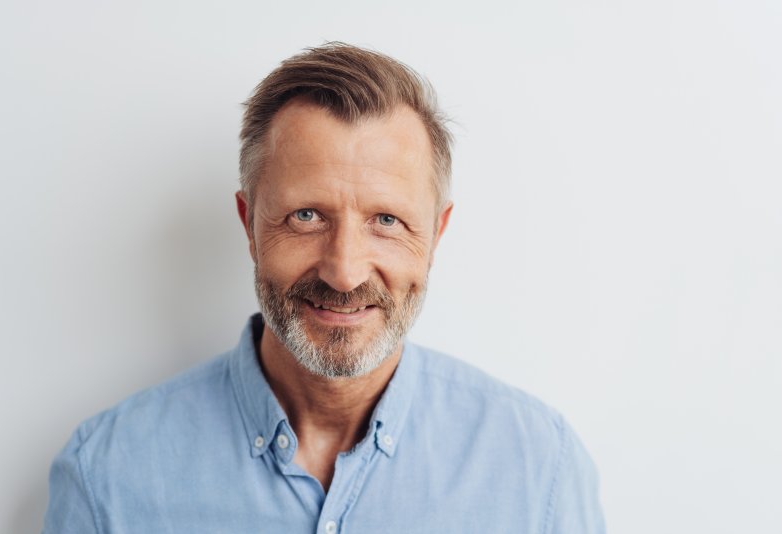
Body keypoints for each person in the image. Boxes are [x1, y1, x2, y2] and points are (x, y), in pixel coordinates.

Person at [42, 43, 605, 533]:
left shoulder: (539, 468)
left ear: (435, 235)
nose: (345, 271)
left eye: (387, 220)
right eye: (307, 215)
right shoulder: (107, 475)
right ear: (249, 225)